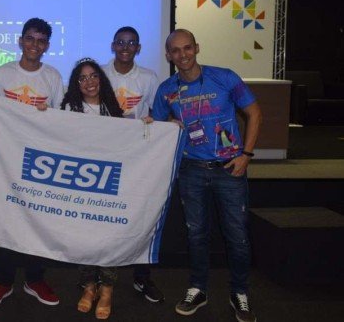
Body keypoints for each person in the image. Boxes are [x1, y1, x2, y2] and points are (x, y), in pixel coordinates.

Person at [151, 29, 262, 322]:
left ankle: (239, 292)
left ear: (197, 48)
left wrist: (246, 155)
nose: (183, 55)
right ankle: (198, 288)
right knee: (196, 234)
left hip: (230, 168)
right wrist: (166, 122)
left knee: (237, 236)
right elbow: (157, 128)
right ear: (168, 55)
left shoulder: (224, 77)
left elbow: (254, 112)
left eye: (187, 48)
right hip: (191, 170)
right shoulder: (166, 89)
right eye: (176, 50)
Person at [0, 17, 64, 309]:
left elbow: (61, 119)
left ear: (47, 46)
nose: (34, 45)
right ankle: (3, 281)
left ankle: (34, 279)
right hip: (6, 159)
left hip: (39, 162)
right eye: (30, 38)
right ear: (20, 41)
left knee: (38, 220)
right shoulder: (3, 73)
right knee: (4, 221)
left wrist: (48, 116)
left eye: (41, 41)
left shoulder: (53, 77)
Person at [102, 26, 165, 303]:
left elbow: (157, 114)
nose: (125, 47)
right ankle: (99, 279)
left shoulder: (149, 78)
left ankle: (142, 277)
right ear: (112, 45)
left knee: (141, 217)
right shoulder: (99, 74)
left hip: (138, 159)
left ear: (138, 48)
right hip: (105, 156)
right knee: (103, 220)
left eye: (131, 43)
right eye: (120, 42)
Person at [60, 58, 122, 319]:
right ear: (76, 84)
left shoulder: (112, 108)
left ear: (101, 79)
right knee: (83, 239)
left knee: (108, 239)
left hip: (108, 185)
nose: (89, 82)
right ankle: (88, 286)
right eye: (83, 78)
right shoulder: (68, 108)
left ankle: (106, 290)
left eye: (93, 76)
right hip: (80, 186)